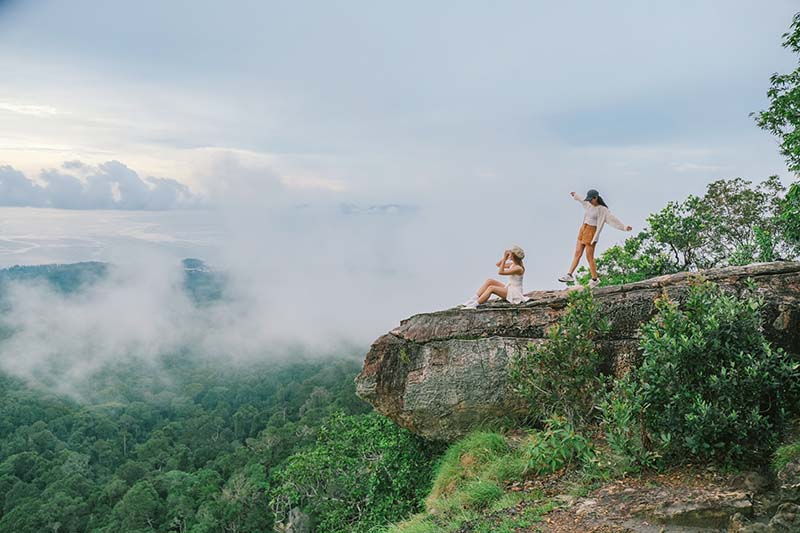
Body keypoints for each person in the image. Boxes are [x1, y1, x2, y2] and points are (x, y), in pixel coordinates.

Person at [558, 189, 632, 288]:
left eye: (591, 199)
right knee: (577, 253)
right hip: (583, 229)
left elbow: (613, 219)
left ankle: (594, 279)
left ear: (596, 198)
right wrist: (575, 195)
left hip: (591, 232)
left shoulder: (602, 209)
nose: (589, 201)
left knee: (589, 257)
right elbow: (582, 200)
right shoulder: (588, 204)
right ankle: (569, 275)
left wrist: (624, 227)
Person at [462, 246, 528, 309]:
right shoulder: (513, 264)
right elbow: (498, 265)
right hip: (510, 288)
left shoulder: (518, 268)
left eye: (511, 253)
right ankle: (473, 299)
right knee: (490, 281)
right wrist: (505, 257)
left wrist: (505, 258)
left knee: (491, 288)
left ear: (514, 256)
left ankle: (474, 305)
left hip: (515, 293)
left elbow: (501, 272)